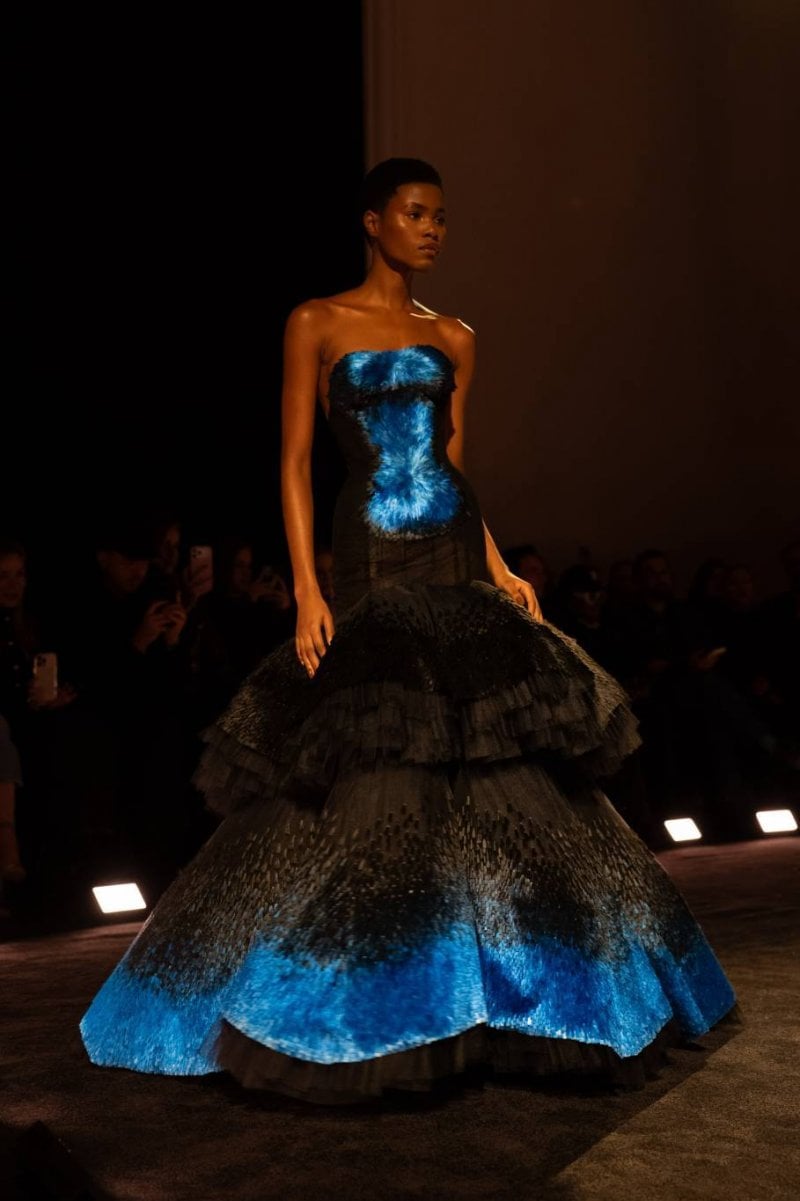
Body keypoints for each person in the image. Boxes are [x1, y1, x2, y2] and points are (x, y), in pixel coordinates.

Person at [80, 157, 738, 1104]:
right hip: (370, 557)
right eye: (416, 213)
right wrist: (308, 587)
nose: (433, 229)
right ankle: (369, 995)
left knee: (489, 760)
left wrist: (499, 565)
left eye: (441, 217)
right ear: (372, 220)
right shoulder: (316, 320)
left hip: (453, 550)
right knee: (376, 758)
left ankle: (514, 991)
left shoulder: (455, 336)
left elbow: (455, 464)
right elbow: (294, 463)